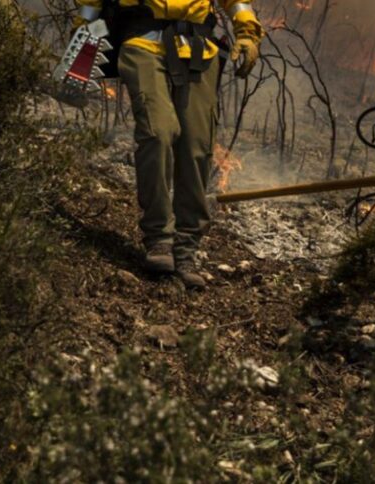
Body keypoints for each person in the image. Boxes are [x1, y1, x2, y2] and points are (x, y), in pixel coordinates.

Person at [73, 0, 264, 289]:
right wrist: (81, 46)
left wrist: (247, 33)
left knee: (196, 146)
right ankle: (159, 238)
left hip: (199, 49)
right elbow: (91, 4)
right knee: (158, 132)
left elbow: (236, 2)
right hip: (141, 43)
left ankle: (186, 249)